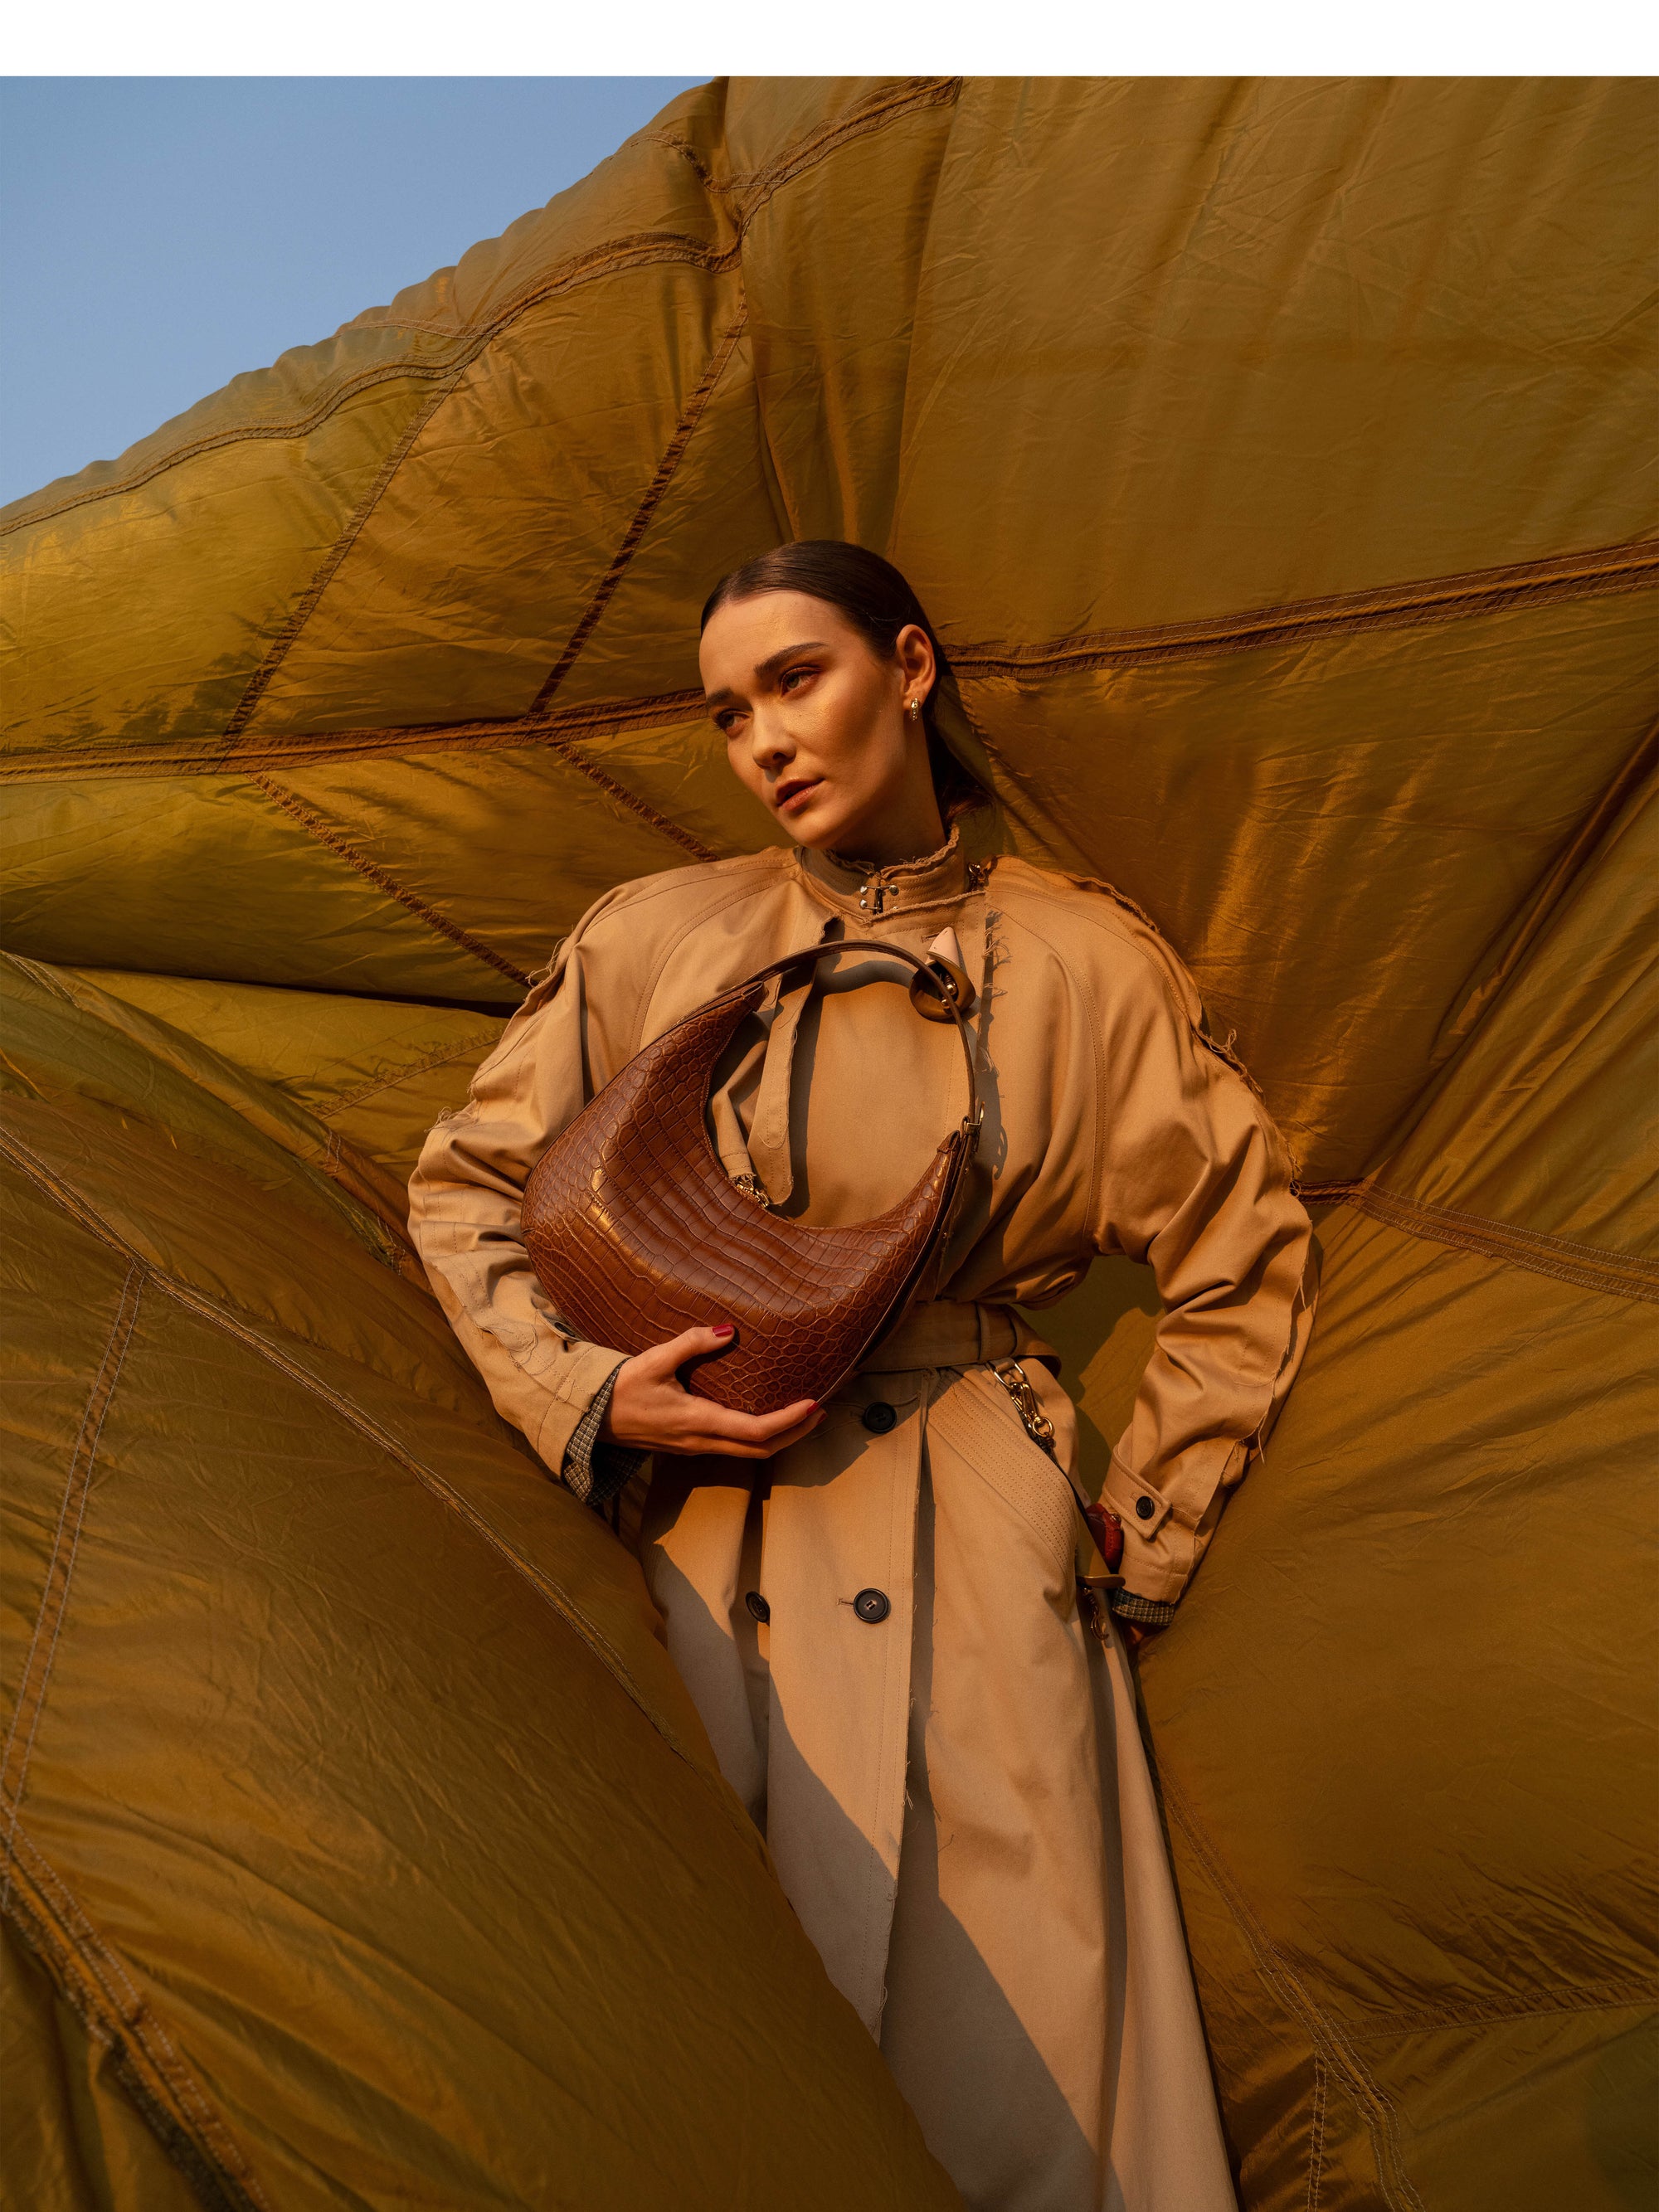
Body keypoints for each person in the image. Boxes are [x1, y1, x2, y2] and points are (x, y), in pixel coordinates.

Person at [408, 541, 1317, 2212]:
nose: (764, 738)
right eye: (728, 712)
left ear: (907, 667)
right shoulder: (659, 937)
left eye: (796, 679)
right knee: (739, 2050)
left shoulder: (1079, 958)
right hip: (710, 1535)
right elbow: (465, 1185)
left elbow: (1240, 1249)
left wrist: (1143, 1524)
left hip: (984, 1540)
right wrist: (582, 1397)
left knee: (1036, 2069)